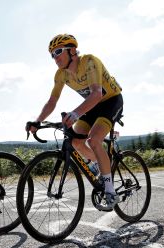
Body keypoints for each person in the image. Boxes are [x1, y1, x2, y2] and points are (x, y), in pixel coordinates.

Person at [26, 34, 123, 211]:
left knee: (93, 140)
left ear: (71, 50)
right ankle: (102, 164)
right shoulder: (61, 74)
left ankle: (110, 191)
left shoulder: (89, 62)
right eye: (52, 54)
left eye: (58, 52)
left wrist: (75, 113)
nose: (55, 57)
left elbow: (96, 94)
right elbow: (52, 101)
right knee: (75, 141)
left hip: (110, 101)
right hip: (92, 106)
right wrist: (37, 121)